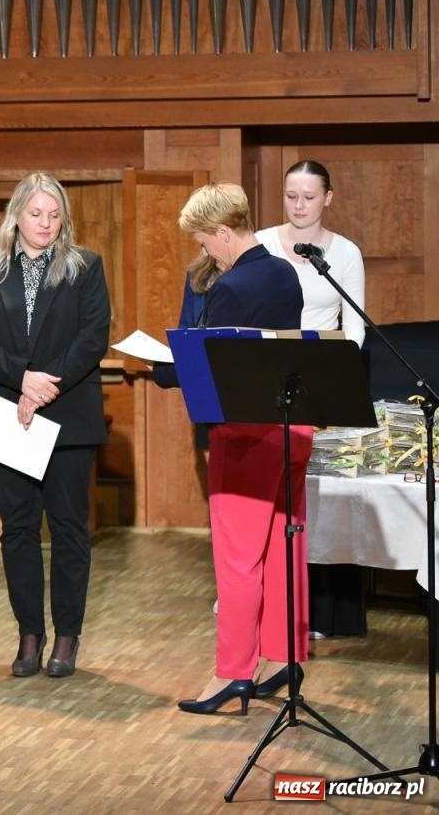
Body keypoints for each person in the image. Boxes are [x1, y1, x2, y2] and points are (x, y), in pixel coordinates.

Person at [159, 184, 306, 715]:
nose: (205, 253)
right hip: (291, 428)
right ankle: (283, 657)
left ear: (224, 231)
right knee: (284, 549)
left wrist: (163, 366)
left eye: (204, 242)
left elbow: (212, 372)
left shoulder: (231, 287)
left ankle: (234, 673)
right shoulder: (285, 271)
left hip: (246, 432)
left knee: (239, 559)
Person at [0, 174, 111, 679]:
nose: (45, 224)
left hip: (68, 415)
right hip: (7, 412)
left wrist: (44, 387)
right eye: (36, 214)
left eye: (54, 215)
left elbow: (93, 338)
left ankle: (67, 634)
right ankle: (30, 633)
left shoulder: (85, 266)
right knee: (18, 531)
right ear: (17, 215)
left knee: (69, 529)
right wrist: (22, 380)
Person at [256, 160, 365, 347]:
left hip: (325, 356)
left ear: (327, 197)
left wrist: (343, 359)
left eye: (309, 197)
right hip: (268, 353)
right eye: (291, 196)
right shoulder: (261, 243)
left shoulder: (347, 252)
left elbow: (354, 327)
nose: (298, 205)